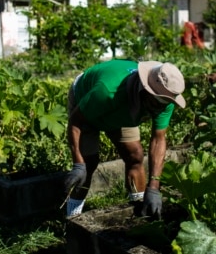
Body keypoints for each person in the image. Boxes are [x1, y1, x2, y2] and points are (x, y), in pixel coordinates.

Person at [63, 59, 186, 219]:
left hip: (123, 109)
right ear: (145, 91)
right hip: (87, 104)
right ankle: (73, 219)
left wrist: (154, 187)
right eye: (157, 104)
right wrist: (78, 163)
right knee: (88, 164)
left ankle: (140, 211)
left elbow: (158, 139)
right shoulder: (107, 91)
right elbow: (76, 121)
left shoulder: (165, 100)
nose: (161, 109)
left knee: (135, 156)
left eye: (165, 104)